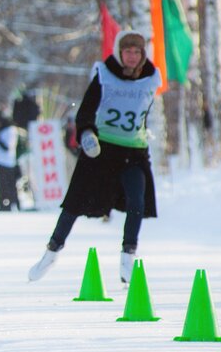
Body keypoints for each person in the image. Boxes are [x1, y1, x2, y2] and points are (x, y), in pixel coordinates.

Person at [28, 30, 161, 284]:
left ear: (142, 55)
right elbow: (85, 112)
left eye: (136, 52)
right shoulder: (104, 76)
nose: (132, 56)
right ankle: (51, 252)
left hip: (134, 152)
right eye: (127, 51)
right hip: (101, 150)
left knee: (137, 200)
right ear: (119, 53)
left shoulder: (150, 79)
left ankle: (127, 258)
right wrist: (87, 133)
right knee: (74, 204)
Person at [0, 113, 20, 211]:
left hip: (7, 162)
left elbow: (8, 147)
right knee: (1, 185)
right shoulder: (3, 130)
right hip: (0, 161)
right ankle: (3, 203)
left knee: (7, 185)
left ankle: (9, 204)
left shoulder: (10, 130)